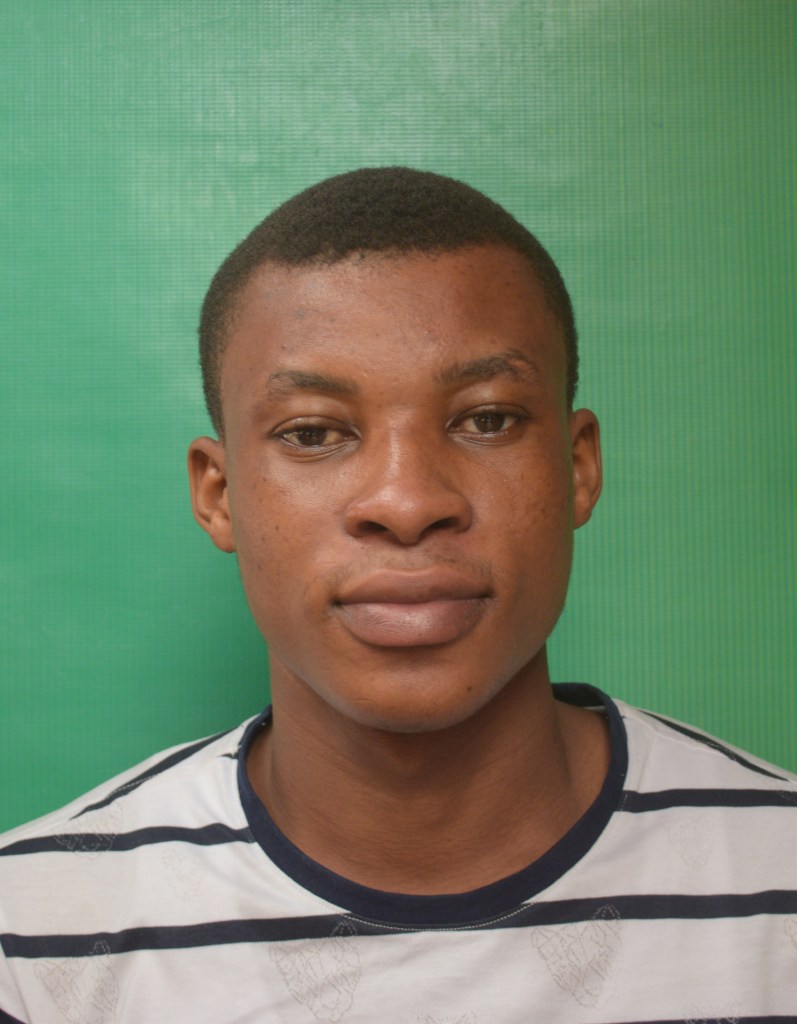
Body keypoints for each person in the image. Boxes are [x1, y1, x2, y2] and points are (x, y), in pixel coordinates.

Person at [1, 167, 795, 1023]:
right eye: (313, 432)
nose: (408, 502)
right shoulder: (31, 941)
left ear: (577, 468)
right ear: (218, 495)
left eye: (486, 419)